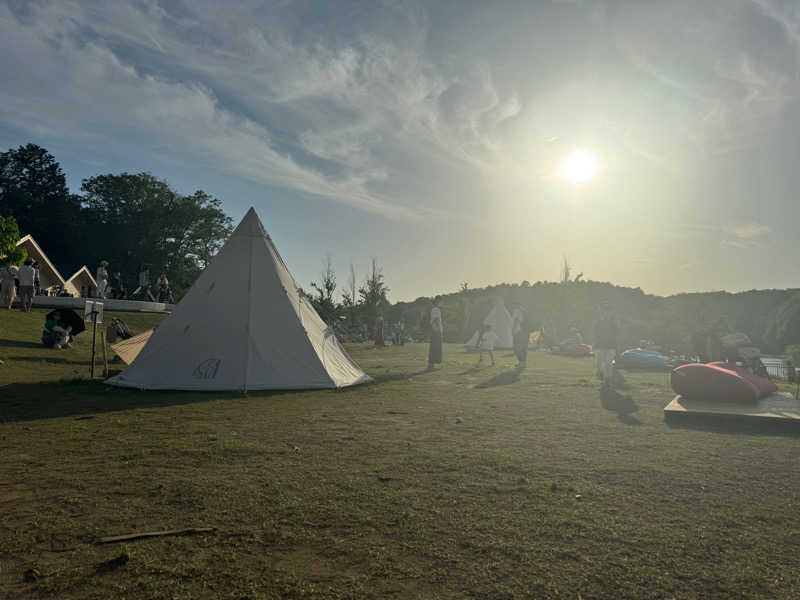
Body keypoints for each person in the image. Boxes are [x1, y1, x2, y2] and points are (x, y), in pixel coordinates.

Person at [594, 302, 618, 389]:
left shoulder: (613, 324)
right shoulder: (598, 323)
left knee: (608, 364)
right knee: (599, 364)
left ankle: (607, 381)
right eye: (604, 312)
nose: (606, 314)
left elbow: (616, 335)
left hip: (610, 346)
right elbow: (596, 335)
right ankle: (602, 377)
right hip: (600, 346)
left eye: (608, 312)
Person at [511, 304, 529, 369]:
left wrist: (513, 331)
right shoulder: (524, 311)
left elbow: (516, 320)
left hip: (518, 331)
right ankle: (523, 363)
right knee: (523, 348)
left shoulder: (516, 311)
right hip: (525, 332)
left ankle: (522, 362)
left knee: (516, 348)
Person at [428, 297, 443, 368]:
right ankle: (432, 363)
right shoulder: (436, 309)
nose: (442, 303)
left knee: (434, 346)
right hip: (436, 330)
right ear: (438, 302)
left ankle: (432, 363)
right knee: (435, 346)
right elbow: (436, 319)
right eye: (441, 301)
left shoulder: (433, 309)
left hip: (434, 329)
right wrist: (437, 329)